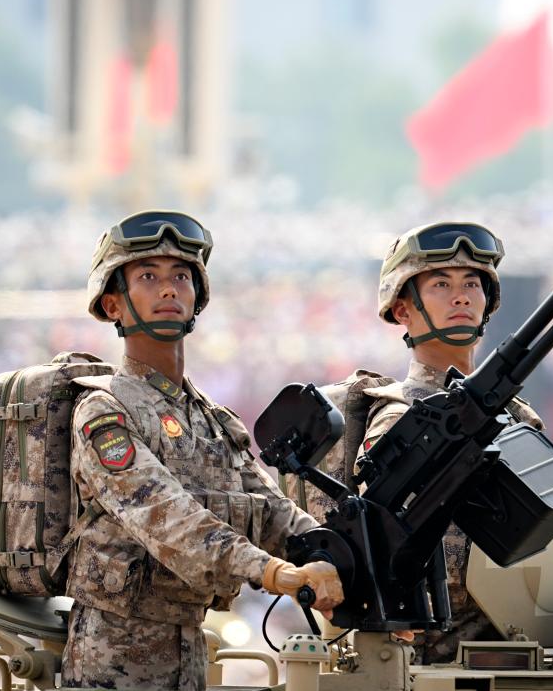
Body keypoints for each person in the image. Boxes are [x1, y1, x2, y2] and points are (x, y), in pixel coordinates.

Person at [63, 210, 343, 690]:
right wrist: (273, 572)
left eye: (181, 277)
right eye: (148, 277)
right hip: (111, 657)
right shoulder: (104, 410)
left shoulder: (211, 418)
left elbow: (271, 510)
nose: (168, 289)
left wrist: (335, 553)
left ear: (197, 297)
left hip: (189, 649)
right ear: (113, 305)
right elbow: (166, 517)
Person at [291, 221, 543, 664]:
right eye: (441, 284)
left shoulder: (518, 417)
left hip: (508, 648)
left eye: (472, 284)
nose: (461, 297)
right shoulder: (400, 417)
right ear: (403, 310)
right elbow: (389, 548)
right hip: (422, 660)